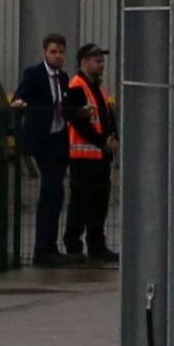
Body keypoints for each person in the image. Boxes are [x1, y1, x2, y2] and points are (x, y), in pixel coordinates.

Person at [16, 33, 75, 267]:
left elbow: (64, 104)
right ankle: (42, 249)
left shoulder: (63, 78)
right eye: (53, 52)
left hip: (58, 138)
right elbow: (20, 95)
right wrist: (20, 103)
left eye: (61, 52)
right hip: (42, 140)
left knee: (55, 193)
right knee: (52, 188)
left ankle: (49, 246)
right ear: (45, 53)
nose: (58, 56)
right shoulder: (34, 74)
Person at [62, 42, 116, 265]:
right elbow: (79, 123)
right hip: (83, 157)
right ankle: (74, 246)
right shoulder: (76, 87)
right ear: (84, 62)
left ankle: (97, 245)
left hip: (100, 157)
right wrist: (103, 141)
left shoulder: (99, 89)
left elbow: (107, 118)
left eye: (102, 60)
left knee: (99, 203)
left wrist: (113, 138)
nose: (101, 65)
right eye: (97, 60)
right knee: (80, 203)